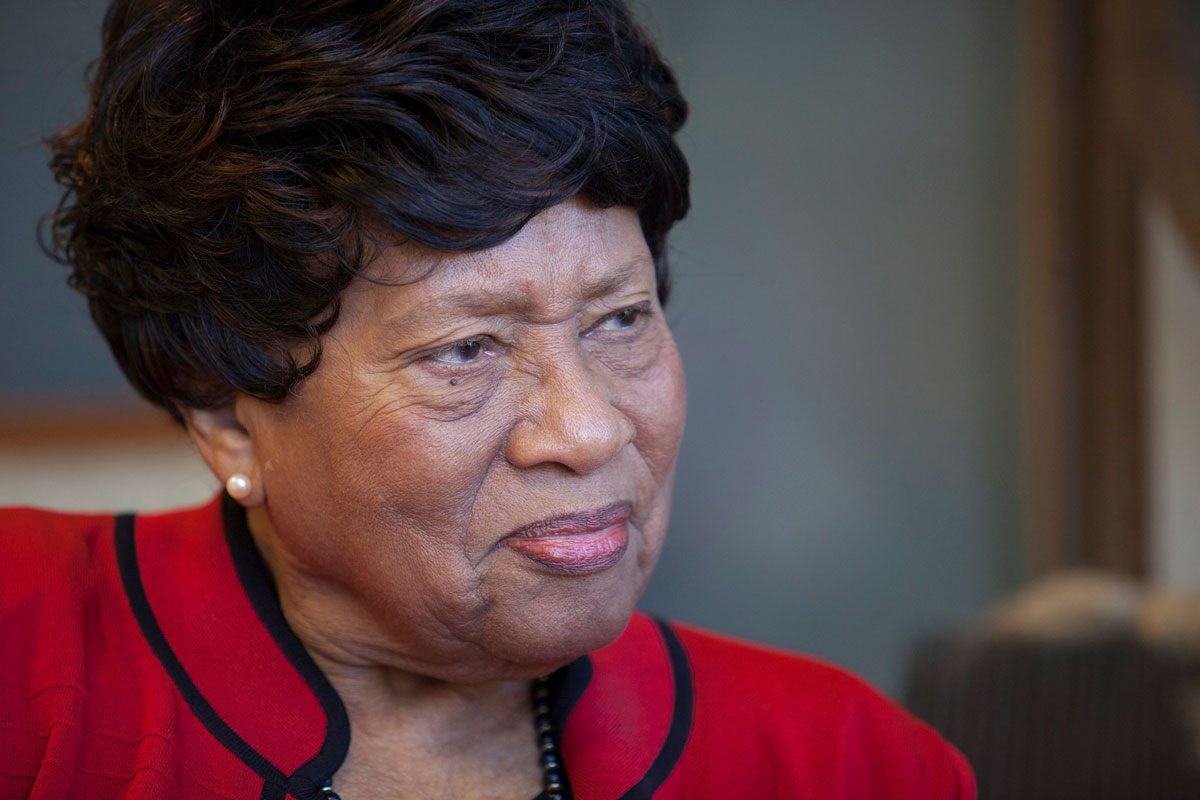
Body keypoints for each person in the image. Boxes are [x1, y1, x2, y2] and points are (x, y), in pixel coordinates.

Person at [0, 1, 976, 798]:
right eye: (466, 349)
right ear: (224, 413)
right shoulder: (31, 664)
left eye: (621, 319)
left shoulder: (850, 764)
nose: (588, 428)